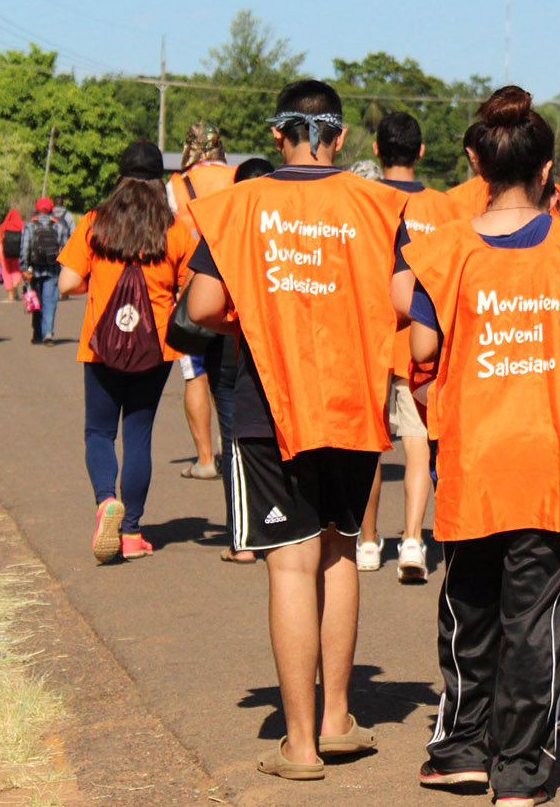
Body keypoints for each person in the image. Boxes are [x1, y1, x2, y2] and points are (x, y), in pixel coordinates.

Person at [403, 86, 560, 807]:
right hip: (553, 461)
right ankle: (522, 773)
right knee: (534, 621)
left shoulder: (444, 254)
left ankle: (464, 747)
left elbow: (423, 351)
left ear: (474, 162)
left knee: (469, 608)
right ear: (548, 169)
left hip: (474, 458)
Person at [186, 80, 408, 782]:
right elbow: (404, 301)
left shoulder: (238, 204)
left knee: (290, 562)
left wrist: (262, 312)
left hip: (267, 405)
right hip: (351, 400)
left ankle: (301, 744)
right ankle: (339, 718)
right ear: (339, 138)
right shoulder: (375, 204)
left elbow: (204, 304)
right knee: (342, 551)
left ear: (277, 135)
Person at [57, 141, 194, 565]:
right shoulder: (174, 230)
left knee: (99, 433)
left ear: (121, 176)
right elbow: (189, 289)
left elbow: (66, 283)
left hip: (101, 345)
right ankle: (132, 532)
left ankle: (105, 503)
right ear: (159, 180)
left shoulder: (95, 224)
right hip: (156, 349)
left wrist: (96, 285)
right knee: (139, 435)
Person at [355, 112, 460, 582]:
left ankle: (369, 540)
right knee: (418, 446)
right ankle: (415, 539)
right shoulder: (447, 208)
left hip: (374, 341)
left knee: (370, 448)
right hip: (428, 348)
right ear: (420, 152)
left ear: (377, 150)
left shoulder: (366, 202)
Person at [212, 157, 274, 565]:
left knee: (238, 446)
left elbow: (203, 306)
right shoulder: (286, 232)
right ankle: (280, 527)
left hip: (236, 355)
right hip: (285, 354)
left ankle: (244, 541)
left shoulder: (227, 231)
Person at [169, 122, 238, 482]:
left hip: (193, 287)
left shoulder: (177, 185)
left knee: (195, 374)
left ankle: (206, 459)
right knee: (235, 374)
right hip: (236, 286)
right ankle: (237, 449)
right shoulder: (237, 176)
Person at [19, 196, 70, 345]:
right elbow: (65, 249)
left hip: (34, 269)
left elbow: (25, 248)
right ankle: (48, 333)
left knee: (36, 299)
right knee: (50, 301)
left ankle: (36, 332)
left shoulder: (30, 226)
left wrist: (24, 268)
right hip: (52, 269)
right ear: (51, 209)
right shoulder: (59, 226)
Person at [0, 208, 27, 300]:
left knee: (6, 272)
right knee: (17, 270)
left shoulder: (3, 226)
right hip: (18, 251)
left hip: (4, 252)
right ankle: (15, 284)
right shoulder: (22, 225)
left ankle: (10, 294)